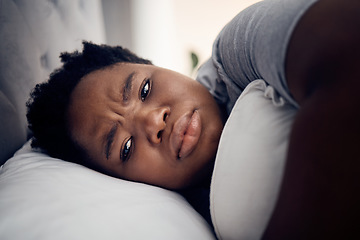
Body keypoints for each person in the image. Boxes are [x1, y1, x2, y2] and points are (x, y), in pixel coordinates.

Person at [27, 0, 359, 238]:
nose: (153, 122)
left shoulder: (235, 54)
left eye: (144, 89)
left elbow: (348, 46)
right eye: (125, 148)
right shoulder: (196, 214)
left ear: (159, 66)